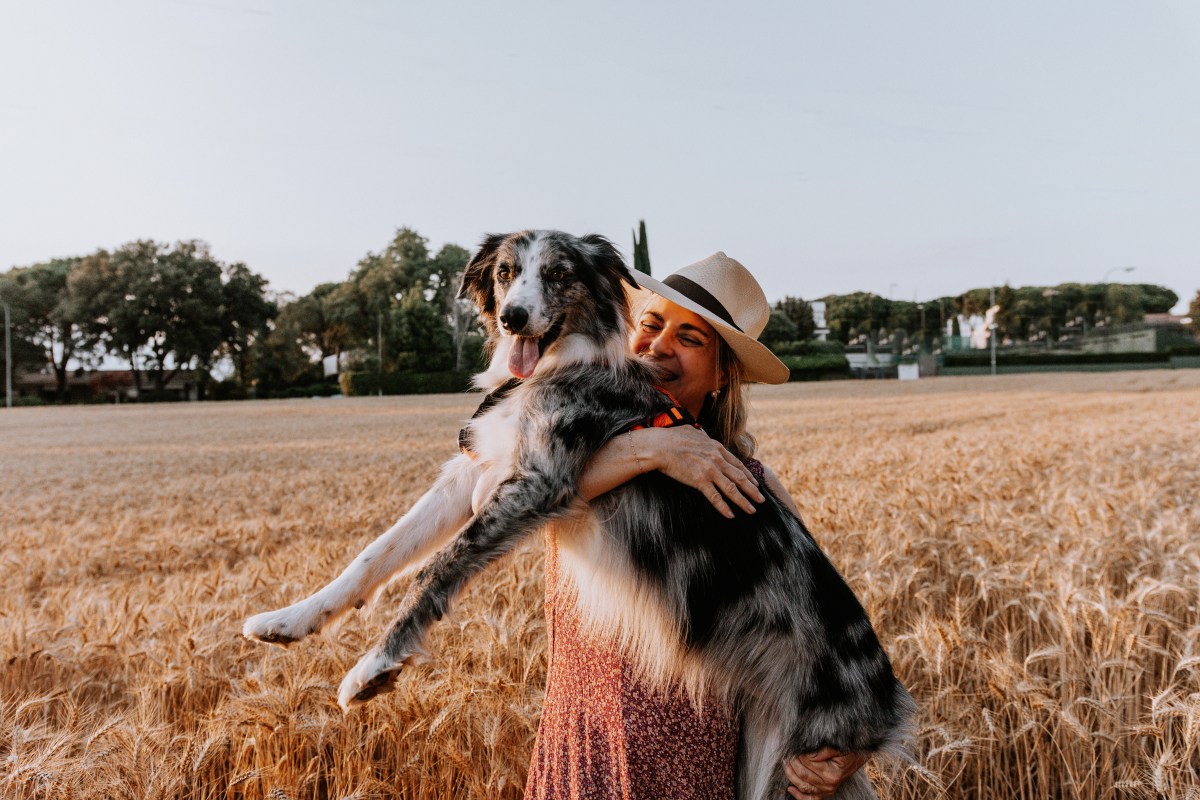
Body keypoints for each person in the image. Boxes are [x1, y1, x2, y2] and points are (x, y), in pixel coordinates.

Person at [523, 252, 870, 800]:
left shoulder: (748, 486)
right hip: (584, 764)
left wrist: (847, 745)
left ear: (723, 372)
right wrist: (654, 448)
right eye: (651, 324)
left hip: (699, 774)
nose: (658, 347)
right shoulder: (573, 451)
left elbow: (825, 636)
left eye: (690, 338)